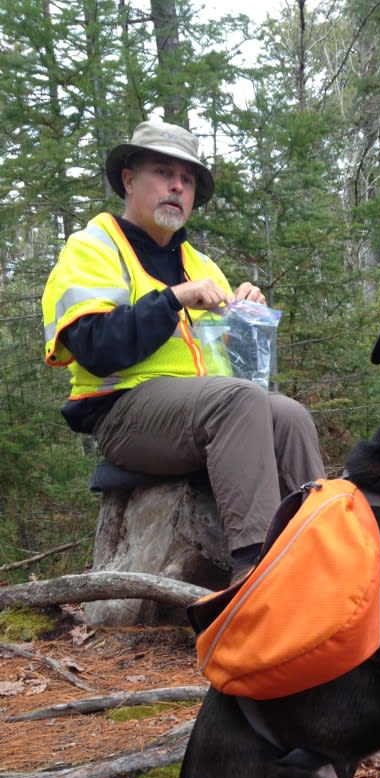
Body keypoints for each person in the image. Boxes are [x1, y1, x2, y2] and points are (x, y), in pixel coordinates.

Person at [42, 120, 324, 581]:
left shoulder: (201, 264)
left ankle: (318, 553)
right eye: (161, 172)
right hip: (124, 413)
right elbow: (95, 347)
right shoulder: (92, 247)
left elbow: (239, 371)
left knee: (290, 415)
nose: (176, 186)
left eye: (187, 178)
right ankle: (260, 571)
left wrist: (246, 318)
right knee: (237, 402)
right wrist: (173, 299)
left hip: (201, 413)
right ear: (129, 180)